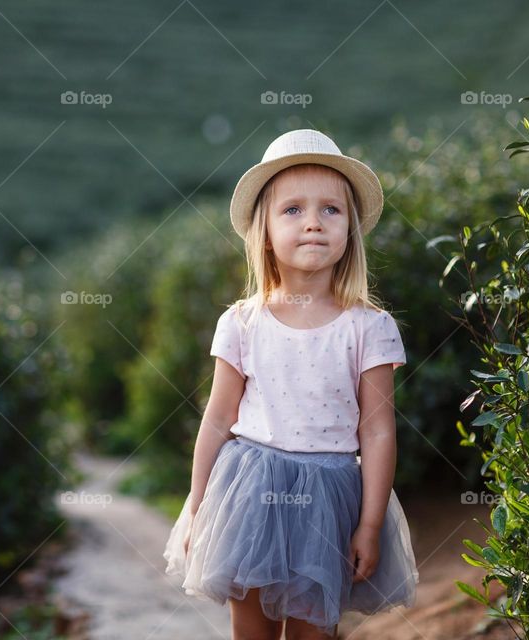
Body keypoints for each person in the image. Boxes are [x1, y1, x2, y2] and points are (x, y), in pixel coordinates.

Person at [162, 129, 419, 639]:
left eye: (330, 210)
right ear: (264, 232)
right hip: (251, 493)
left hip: (330, 499)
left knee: (313, 631)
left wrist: (368, 525)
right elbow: (217, 420)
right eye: (293, 210)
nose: (313, 224)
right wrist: (197, 509)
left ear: (350, 229)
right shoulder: (241, 323)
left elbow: (378, 432)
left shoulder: (369, 327)